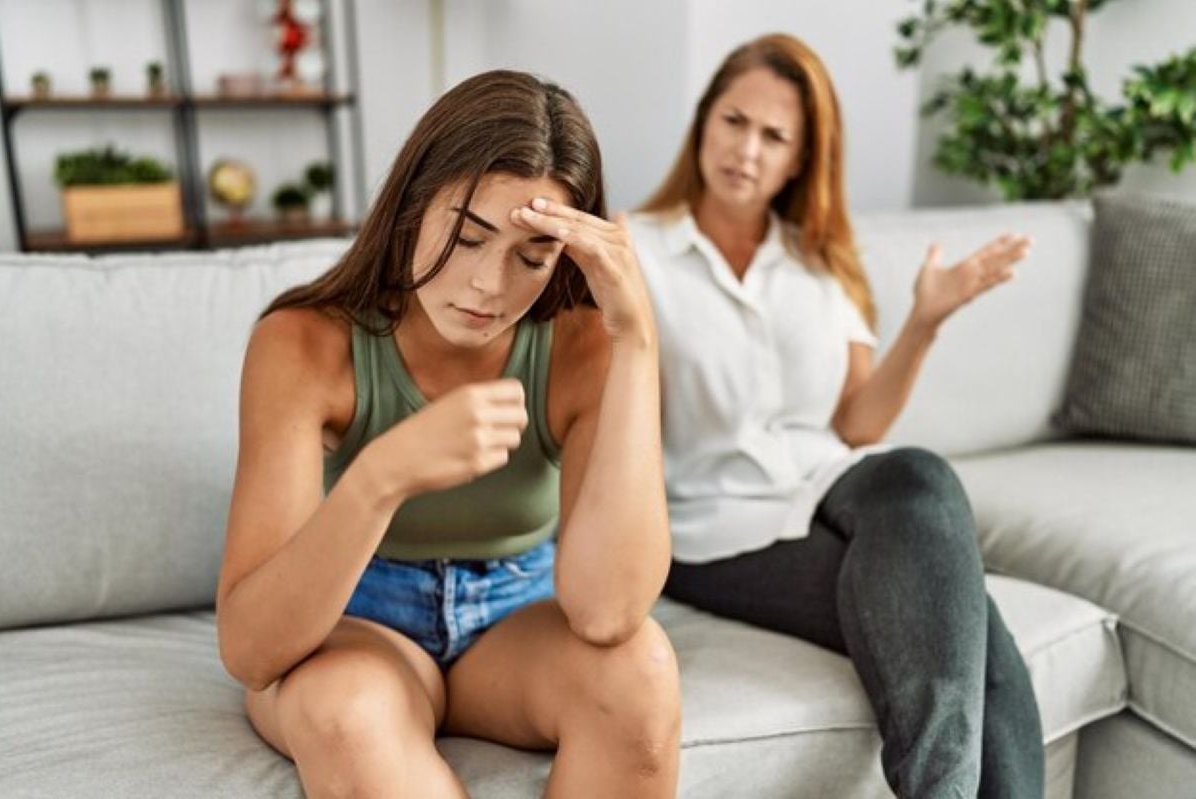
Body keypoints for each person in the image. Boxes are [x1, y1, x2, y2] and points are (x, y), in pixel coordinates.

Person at [215, 70, 680, 798]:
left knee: (642, 672)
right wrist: (384, 475)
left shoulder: (584, 344)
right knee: (345, 712)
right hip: (354, 622)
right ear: (411, 203)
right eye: (467, 236)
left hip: (518, 620)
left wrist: (636, 340)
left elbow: (606, 611)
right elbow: (249, 648)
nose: (488, 286)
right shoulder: (301, 344)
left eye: (531, 257)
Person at [629, 33, 1043, 798]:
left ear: (799, 160)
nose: (746, 150)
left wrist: (924, 322)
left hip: (833, 486)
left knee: (919, 476)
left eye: (774, 136)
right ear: (702, 123)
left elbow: (856, 424)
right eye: (733, 120)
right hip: (713, 525)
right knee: (971, 632)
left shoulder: (821, 263)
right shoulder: (633, 253)